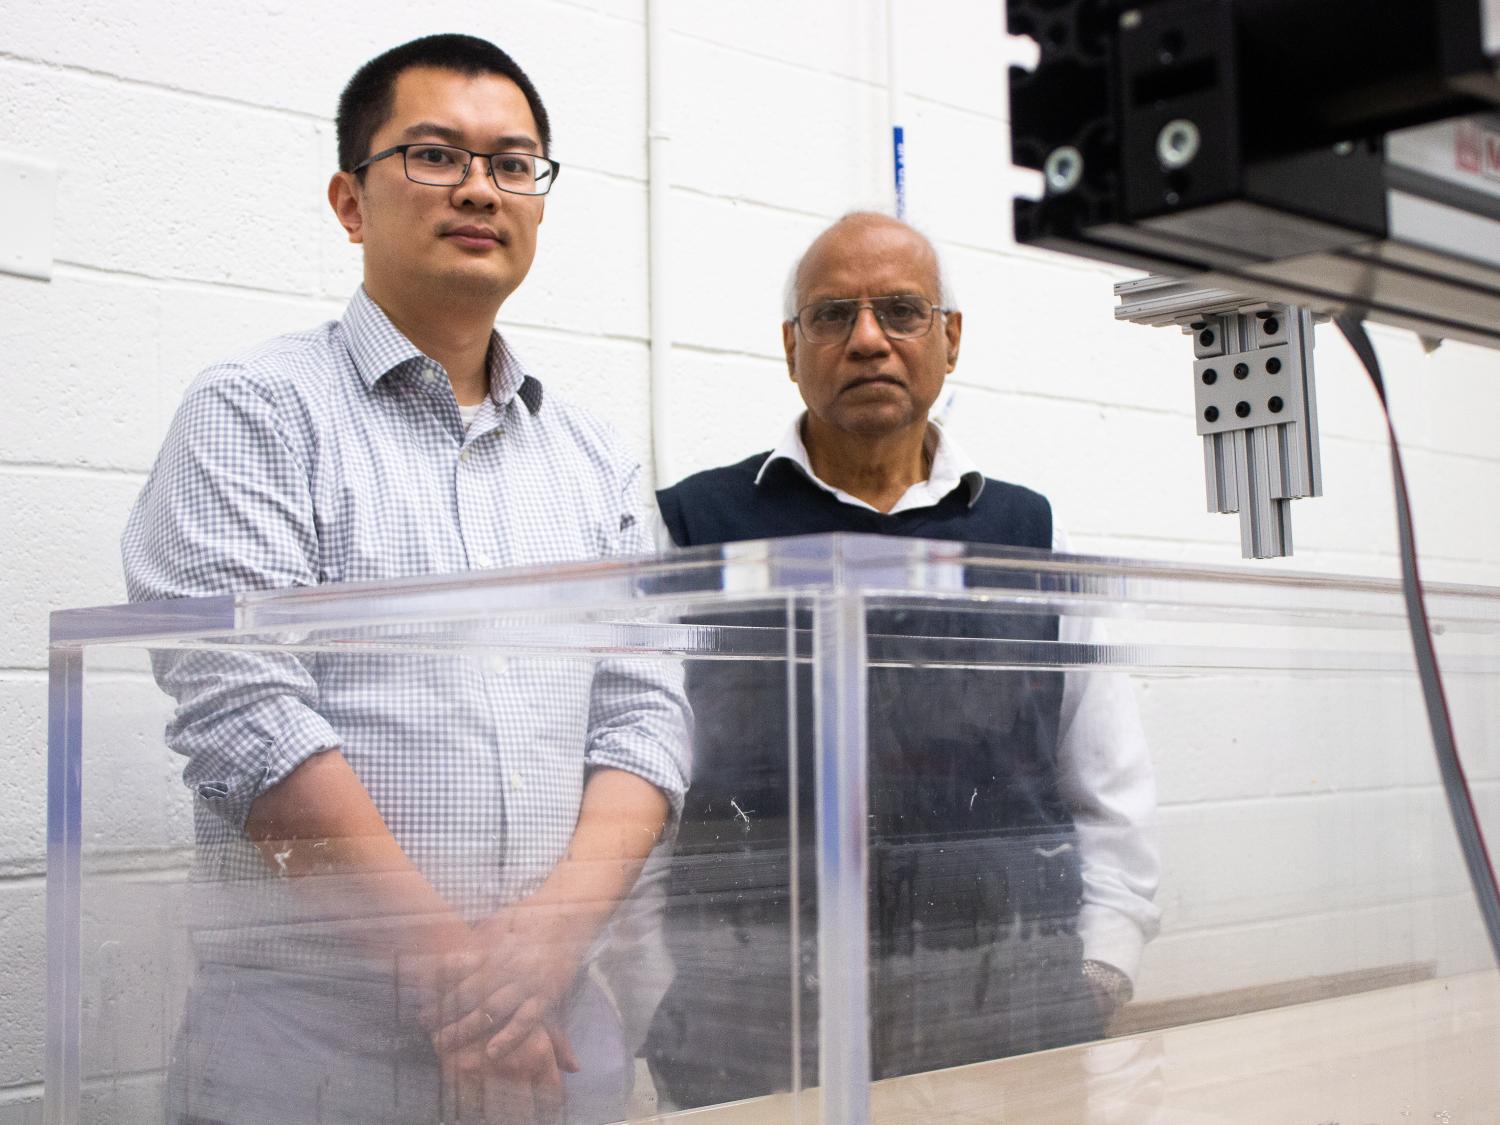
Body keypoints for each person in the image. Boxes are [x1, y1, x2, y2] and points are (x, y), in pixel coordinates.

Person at [122, 34, 688, 1125]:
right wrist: (462, 982)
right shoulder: (255, 412)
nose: (479, 186)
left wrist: (542, 954)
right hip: (313, 1072)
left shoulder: (595, 457)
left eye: (513, 163)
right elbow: (246, 713)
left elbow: (644, 722)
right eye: (434, 154)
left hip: (558, 1052)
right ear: (350, 200)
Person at [646, 212, 1160, 1106]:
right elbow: (638, 773)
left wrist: (1103, 965)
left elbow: (1109, 781)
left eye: (902, 310)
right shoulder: (693, 530)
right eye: (832, 315)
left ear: (950, 338)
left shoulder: (1031, 537)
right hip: (754, 1026)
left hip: (1004, 1016)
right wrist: (654, 988)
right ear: (791, 346)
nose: (868, 339)